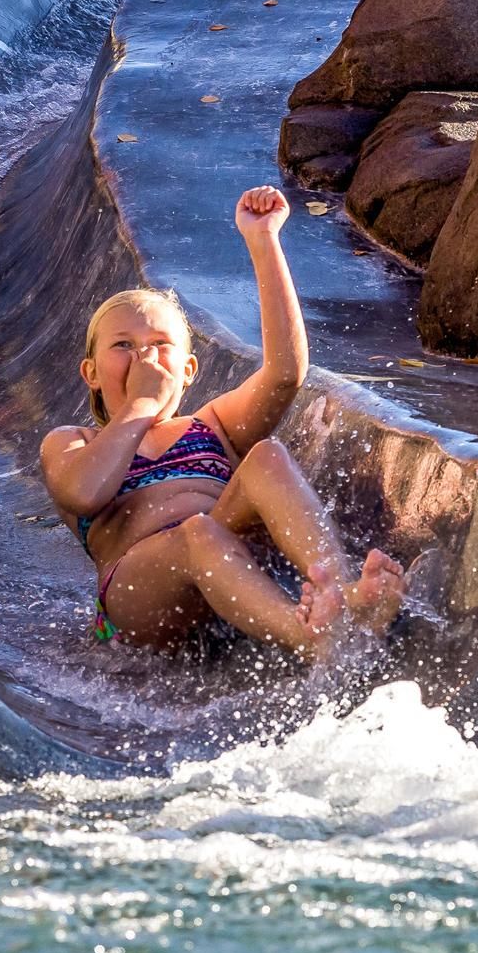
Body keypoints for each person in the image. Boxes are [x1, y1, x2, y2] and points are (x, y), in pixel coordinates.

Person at [41, 187, 404, 656]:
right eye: (123, 346)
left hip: (227, 561)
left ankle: (337, 592)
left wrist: (264, 240)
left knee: (267, 457)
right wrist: (141, 406)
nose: (145, 354)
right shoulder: (73, 441)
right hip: (139, 593)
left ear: (188, 371)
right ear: (90, 373)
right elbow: (84, 493)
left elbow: (285, 374)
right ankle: (308, 638)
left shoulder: (209, 426)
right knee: (197, 533)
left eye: (160, 344)